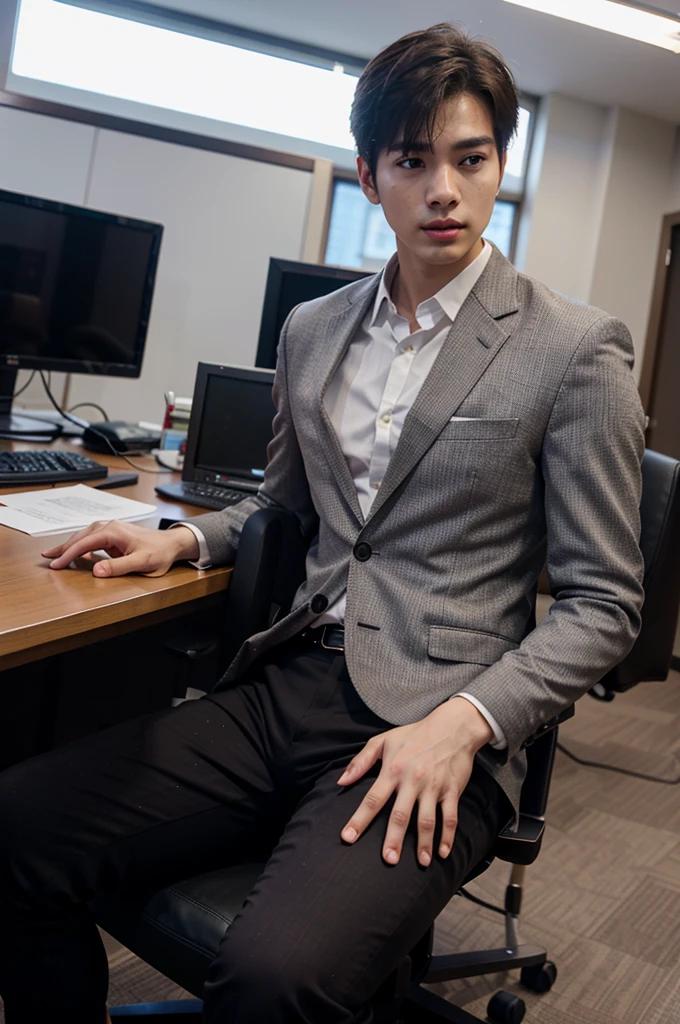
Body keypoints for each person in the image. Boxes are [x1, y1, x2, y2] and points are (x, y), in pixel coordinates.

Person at [0, 22, 645, 1024]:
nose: (442, 189)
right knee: (14, 830)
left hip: (442, 722)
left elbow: (603, 605)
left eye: (469, 159)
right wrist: (180, 539)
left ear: (496, 166)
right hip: (290, 681)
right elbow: (283, 503)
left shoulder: (573, 349)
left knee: (271, 979)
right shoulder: (313, 330)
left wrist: (465, 727)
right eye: (411, 160)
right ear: (368, 173)